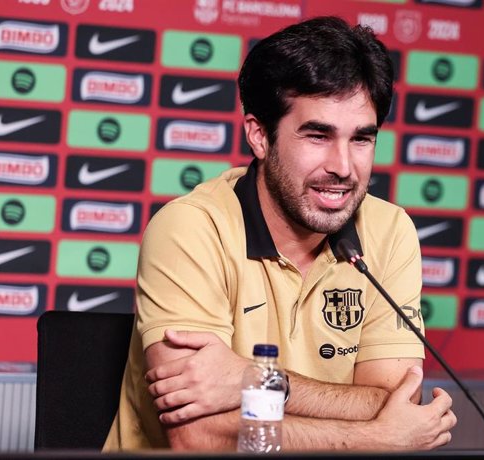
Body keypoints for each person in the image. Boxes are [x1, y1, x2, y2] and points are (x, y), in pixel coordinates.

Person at [103, 16, 456, 452]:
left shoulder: (389, 230)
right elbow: (198, 438)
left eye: (361, 139)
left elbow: (395, 401)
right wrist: (374, 438)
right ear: (259, 136)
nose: (343, 167)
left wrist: (257, 380)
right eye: (317, 135)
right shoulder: (191, 228)